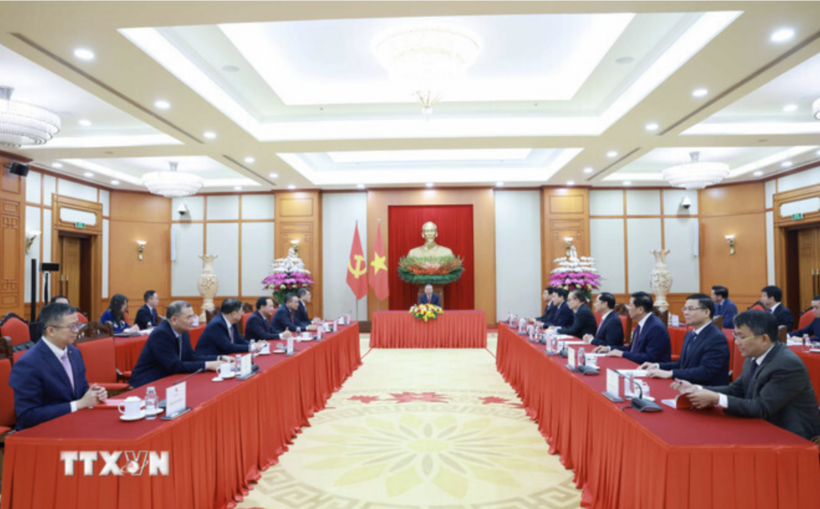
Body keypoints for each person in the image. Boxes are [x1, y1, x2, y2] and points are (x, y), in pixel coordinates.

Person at [674, 310, 820, 440]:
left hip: (790, 435)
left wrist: (716, 398)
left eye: (741, 337)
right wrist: (697, 388)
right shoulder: (753, 356)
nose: (736, 342)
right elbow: (736, 389)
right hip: (762, 424)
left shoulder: (787, 364)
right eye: (735, 335)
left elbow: (762, 408)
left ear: (764, 339)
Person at [9, 303, 107, 430]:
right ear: (51, 331)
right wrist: (78, 404)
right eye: (71, 326)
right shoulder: (28, 364)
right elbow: (27, 416)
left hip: (75, 424)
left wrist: (93, 394)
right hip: (44, 432)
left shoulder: (74, 352)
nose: (77, 330)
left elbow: (80, 391)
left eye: (78, 325)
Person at [129, 301, 227, 388]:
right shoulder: (161, 334)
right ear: (174, 320)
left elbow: (190, 357)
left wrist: (219, 358)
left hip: (169, 379)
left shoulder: (183, 331)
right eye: (189, 317)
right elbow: (174, 365)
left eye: (193, 316)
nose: (193, 321)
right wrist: (208, 365)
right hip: (147, 383)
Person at [641, 293, 730, 386]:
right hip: (687, 385)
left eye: (690, 309)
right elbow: (682, 364)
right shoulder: (690, 334)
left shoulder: (716, 338)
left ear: (706, 312)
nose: (685, 313)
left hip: (705, 390)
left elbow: (706, 371)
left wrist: (670, 373)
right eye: (685, 309)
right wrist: (657, 366)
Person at [594, 291, 671, 364]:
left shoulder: (656, 327)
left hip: (651, 369)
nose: (628, 308)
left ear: (640, 309)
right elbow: (631, 349)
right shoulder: (641, 324)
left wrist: (623, 354)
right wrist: (609, 348)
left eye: (630, 305)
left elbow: (650, 358)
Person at [195, 298, 263, 357]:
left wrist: (254, 344)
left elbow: (240, 340)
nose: (243, 313)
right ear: (234, 314)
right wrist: (252, 347)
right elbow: (228, 348)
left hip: (225, 357)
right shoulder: (216, 325)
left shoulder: (233, 322)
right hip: (209, 359)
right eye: (241, 311)